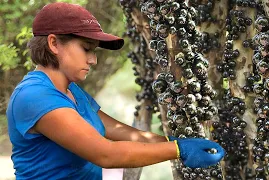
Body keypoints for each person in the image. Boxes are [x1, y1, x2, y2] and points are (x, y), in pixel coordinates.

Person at [6, 2, 225, 180]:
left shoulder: (71, 90)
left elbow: (118, 130)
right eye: (86, 49)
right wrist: (179, 150)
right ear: (54, 43)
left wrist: (172, 141)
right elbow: (106, 154)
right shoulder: (34, 96)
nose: (93, 60)